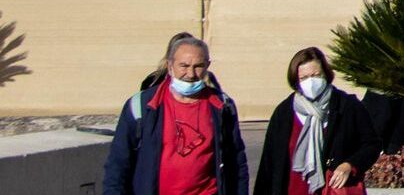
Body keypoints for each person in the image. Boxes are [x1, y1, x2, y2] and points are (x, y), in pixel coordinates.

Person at [104, 34, 250, 195]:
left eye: (198, 66)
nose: (190, 73)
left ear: (207, 66)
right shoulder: (140, 106)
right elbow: (118, 164)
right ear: (170, 65)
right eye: (184, 66)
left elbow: (237, 163)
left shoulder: (222, 106)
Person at [253, 47, 380, 195]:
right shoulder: (284, 113)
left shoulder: (348, 107)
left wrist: (349, 165)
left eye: (315, 75)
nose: (311, 82)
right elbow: (268, 165)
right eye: (304, 78)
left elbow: (371, 145)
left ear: (326, 74)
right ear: (296, 80)